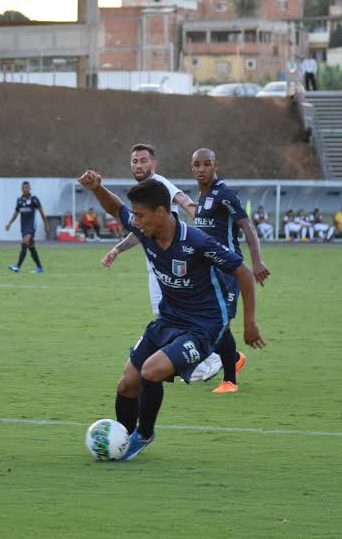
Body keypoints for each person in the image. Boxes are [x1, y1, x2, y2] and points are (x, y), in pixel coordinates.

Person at [78, 171, 263, 460]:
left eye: (140, 216)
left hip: (203, 328)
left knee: (151, 371)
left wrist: (249, 324)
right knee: (127, 384)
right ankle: (123, 439)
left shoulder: (197, 242)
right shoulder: (144, 230)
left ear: (161, 212)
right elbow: (116, 208)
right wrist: (97, 188)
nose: (135, 222)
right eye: (135, 216)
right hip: (167, 321)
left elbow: (243, 272)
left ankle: (144, 433)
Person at [190, 148, 270, 393]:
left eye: (206, 164)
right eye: (197, 165)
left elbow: (248, 227)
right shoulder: (202, 196)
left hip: (228, 271)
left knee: (220, 325)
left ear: (216, 165)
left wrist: (256, 262)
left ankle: (230, 381)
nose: (201, 169)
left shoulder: (224, 194)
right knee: (198, 323)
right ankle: (232, 357)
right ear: (192, 167)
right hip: (206, 272)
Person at [101, 144, 197, 316]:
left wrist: (197, 214)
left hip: (172, 269)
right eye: (135, 161)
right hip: (155, 270)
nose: (138, 165)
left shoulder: (159, 183)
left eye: (143, 161)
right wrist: (118, 249)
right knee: (163, 321)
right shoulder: (141, 191)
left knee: (177, 321)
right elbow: (141, 231)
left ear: (153, 164)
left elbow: (182, 198)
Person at [5, 181, 48, 273]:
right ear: (21, 189)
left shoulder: (34, 199)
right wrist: (9, 223)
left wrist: (46, 225)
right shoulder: (19, 200)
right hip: (23, 228)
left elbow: (42, 212)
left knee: (24, 243)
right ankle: (39, 268)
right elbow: (16, 213)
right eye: (24, 187)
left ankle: (17, 266)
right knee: (31, 247)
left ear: (30, 188)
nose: (25, 189)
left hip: (31, 227)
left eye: (27, 187)